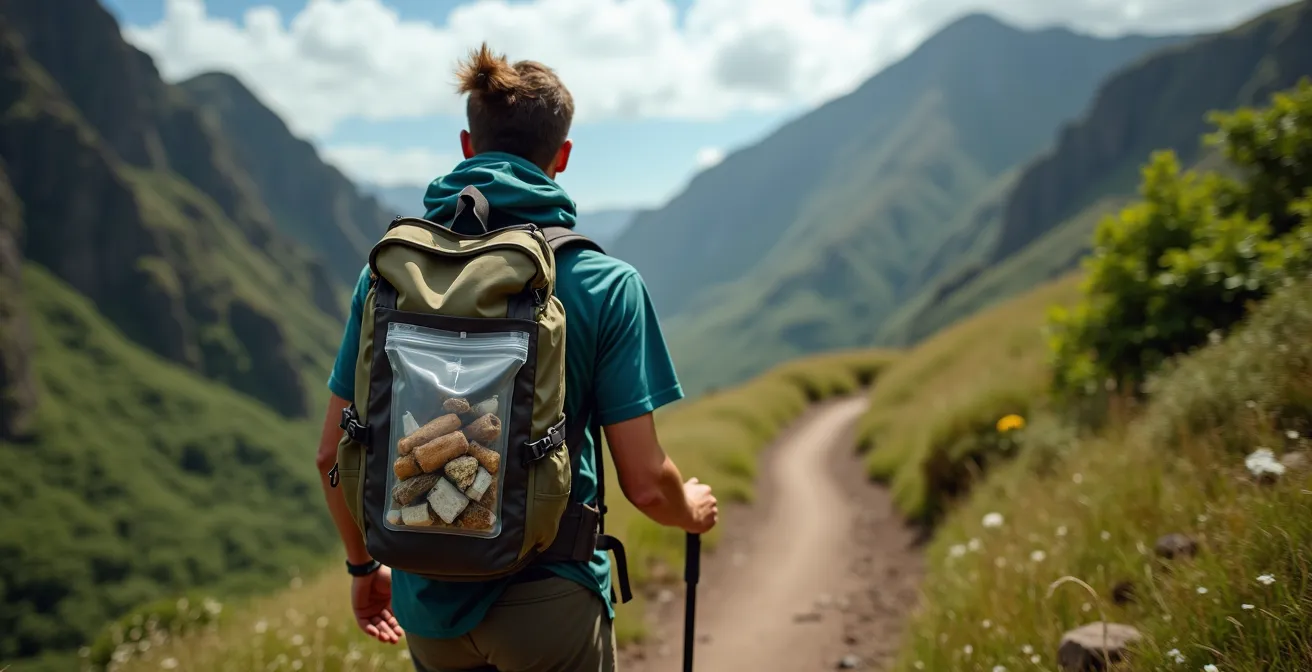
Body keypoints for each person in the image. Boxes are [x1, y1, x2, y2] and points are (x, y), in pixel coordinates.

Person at [314, 42, 719, 672]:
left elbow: (329, 454)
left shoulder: (388, 278)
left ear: (467, 147)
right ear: (562, 157)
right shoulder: (605, 283)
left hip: (429, 608)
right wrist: (691, 512)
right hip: (549, 598)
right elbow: (644, 482)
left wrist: (365, 566)